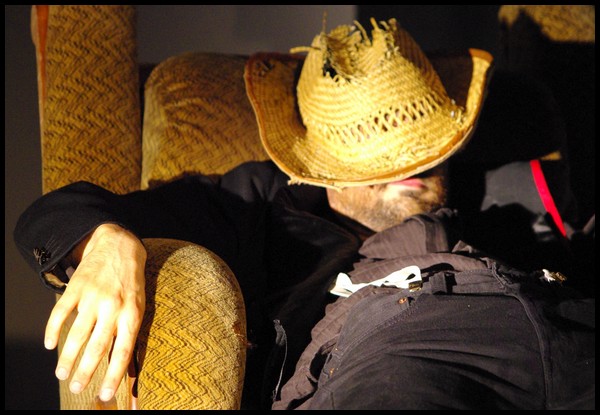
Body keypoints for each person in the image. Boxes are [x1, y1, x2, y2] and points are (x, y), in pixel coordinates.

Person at [14, 17, 594, 410]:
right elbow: (55, 213)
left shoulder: (503, 184)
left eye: (421, 149)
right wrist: (105, 239)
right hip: (400, 346)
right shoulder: (259, 203)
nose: (408, 167)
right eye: (374, 152)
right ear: (323, 166)